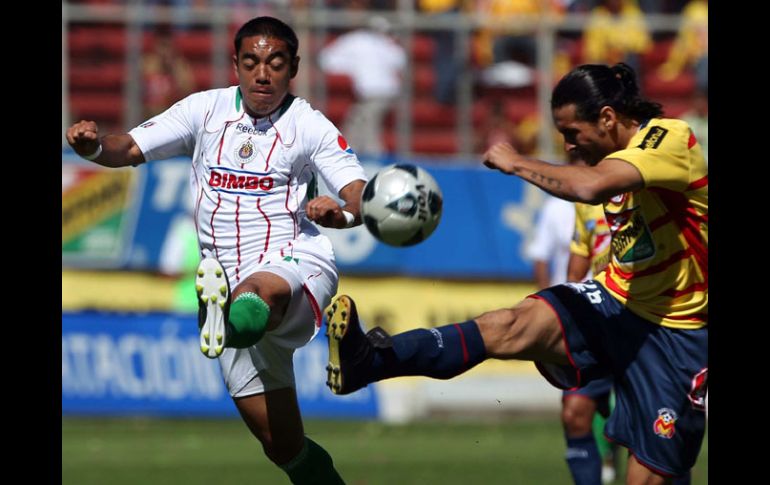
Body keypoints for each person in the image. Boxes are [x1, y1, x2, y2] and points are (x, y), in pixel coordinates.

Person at [325, 62, 707, 484]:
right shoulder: (607, 162)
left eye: (572, 133)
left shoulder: (669, 139)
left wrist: (516, 162)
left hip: (678, 334)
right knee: (506, 326)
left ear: (607, 118)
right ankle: (370, 360)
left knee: (652, 477)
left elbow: (589, 185)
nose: (569, 146)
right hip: (616, 303)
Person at [67, 16, 369, 485]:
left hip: (294, 261)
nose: (262, 74)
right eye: (251, 62)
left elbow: (359, 196)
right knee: (284, 448)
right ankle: (227, 320)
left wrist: (341, 215)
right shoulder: (204, 110)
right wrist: (92, 148)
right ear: (236, 64)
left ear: (293, 68)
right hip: (224, 279)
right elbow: (127, 148)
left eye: (275, 63)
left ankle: (228, 319)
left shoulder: (309, 124)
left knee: (256, 295)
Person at [318, 16, 406, 157]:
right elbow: (400, 61)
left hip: (374, 93)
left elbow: (327, 60)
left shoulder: (356, 40)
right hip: (381, 93)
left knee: (367, 124)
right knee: (358, 121)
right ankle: (350, 154)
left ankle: (372, 157)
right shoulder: (368, 42)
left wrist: (350, 66)